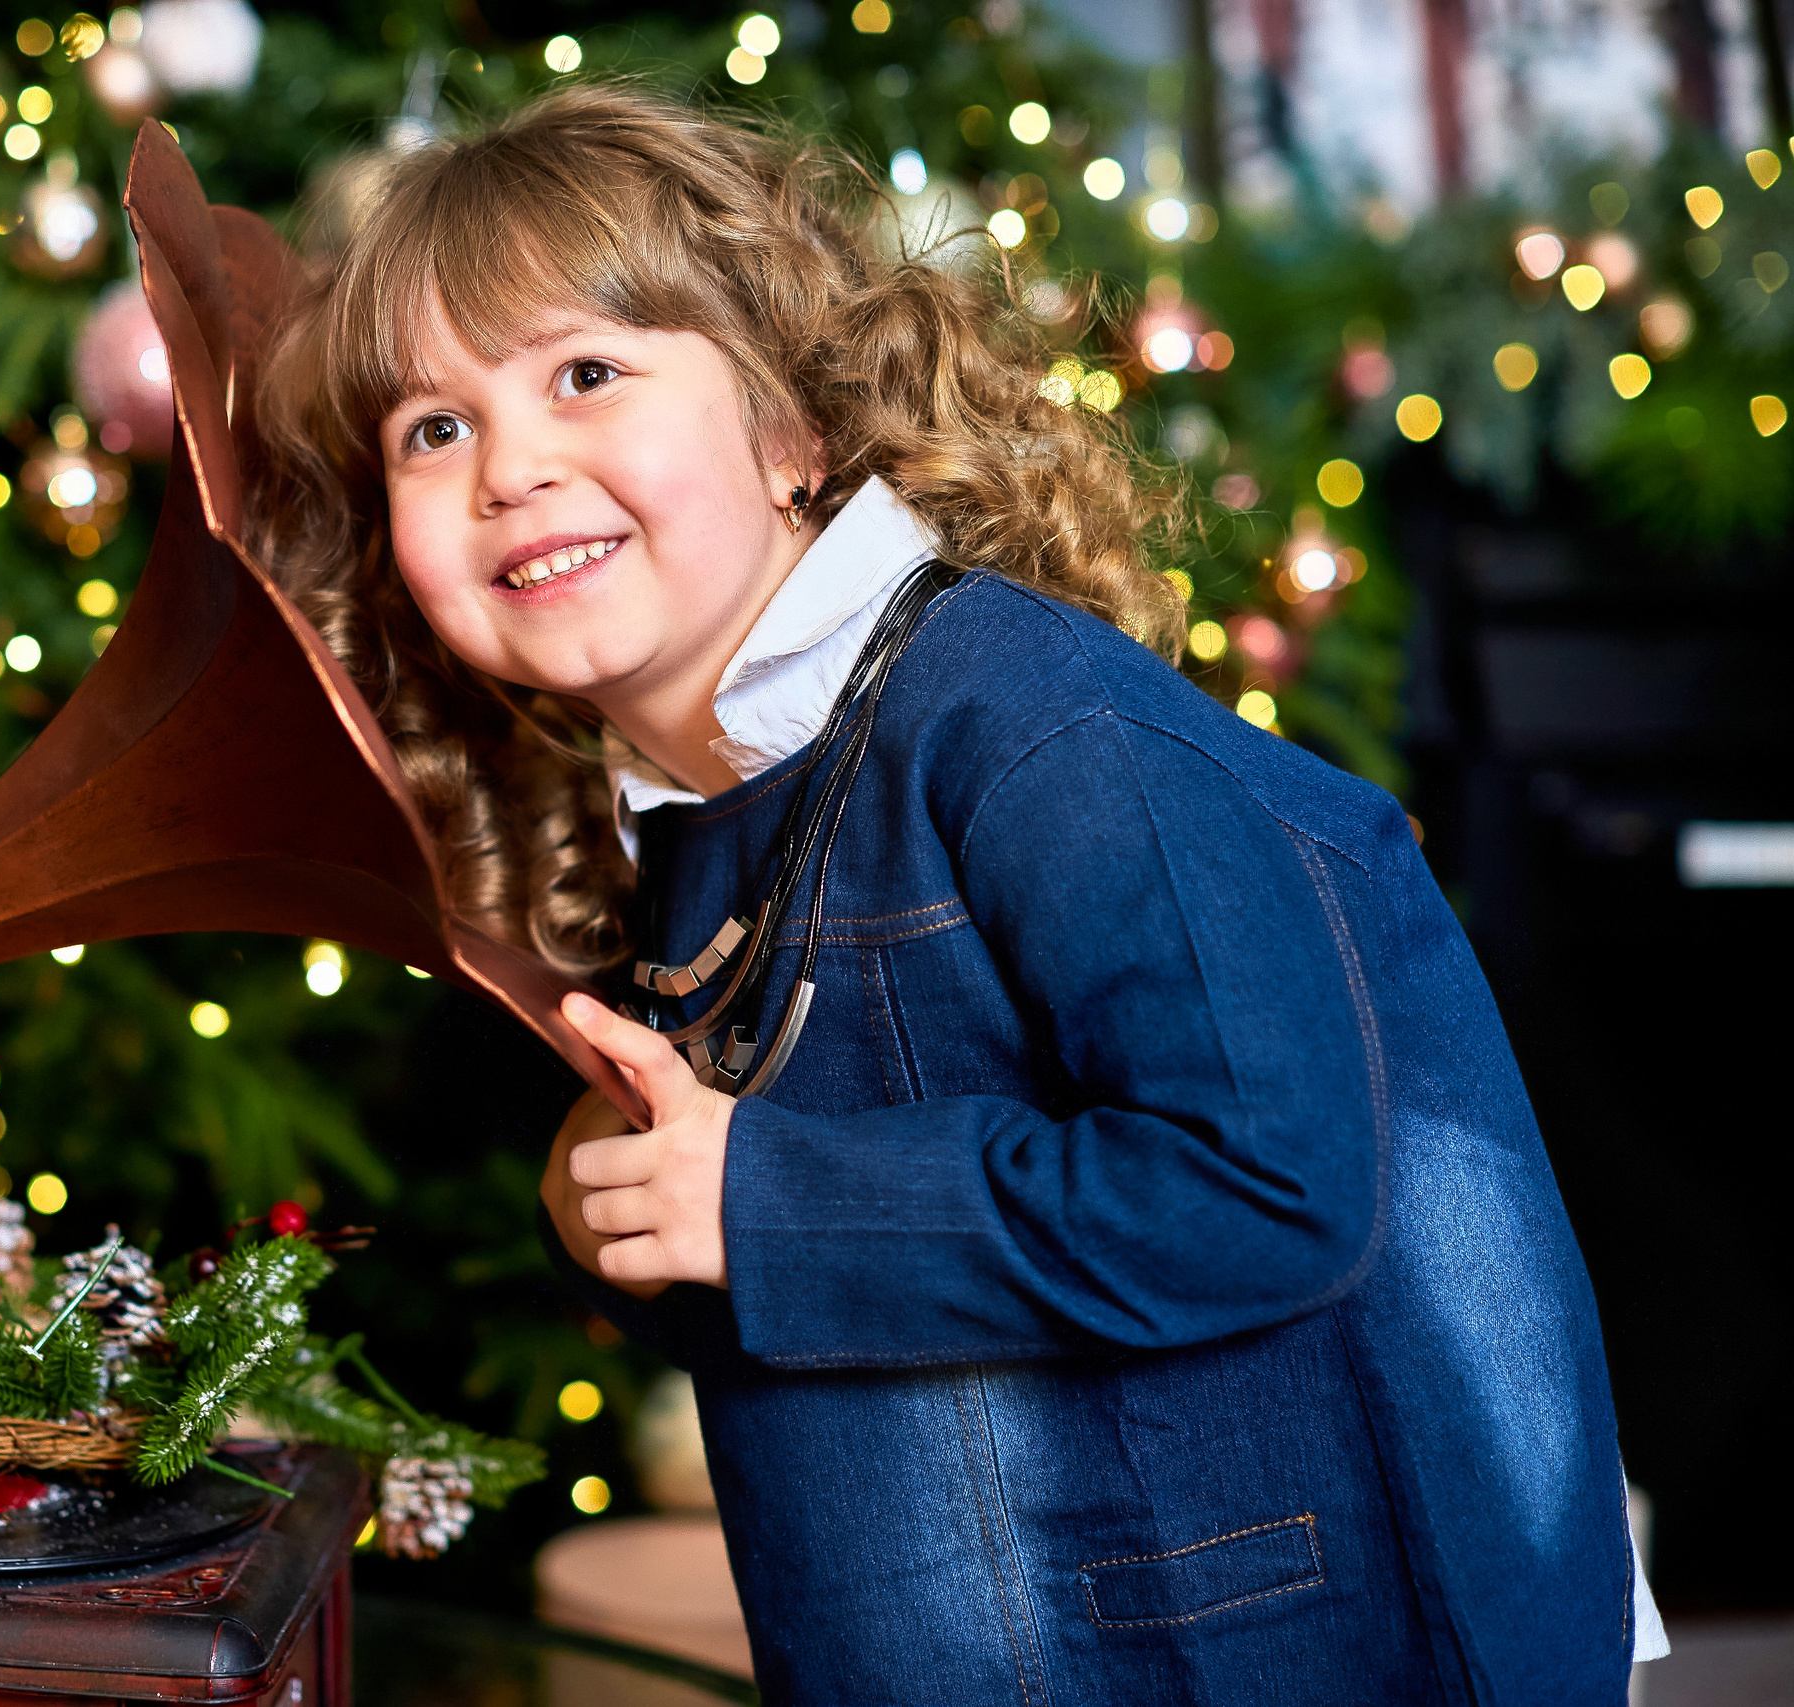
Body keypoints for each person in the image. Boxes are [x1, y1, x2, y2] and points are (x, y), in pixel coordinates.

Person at [251, 86, 1651, 1704]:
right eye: (432, 429)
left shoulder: (1038, 723)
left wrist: (753, 1198)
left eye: (585, 372)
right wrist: (624, 1211)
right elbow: (855, 1281)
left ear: (790, 433)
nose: (511, 466)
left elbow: (1264, 1182)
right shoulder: (717, 807)